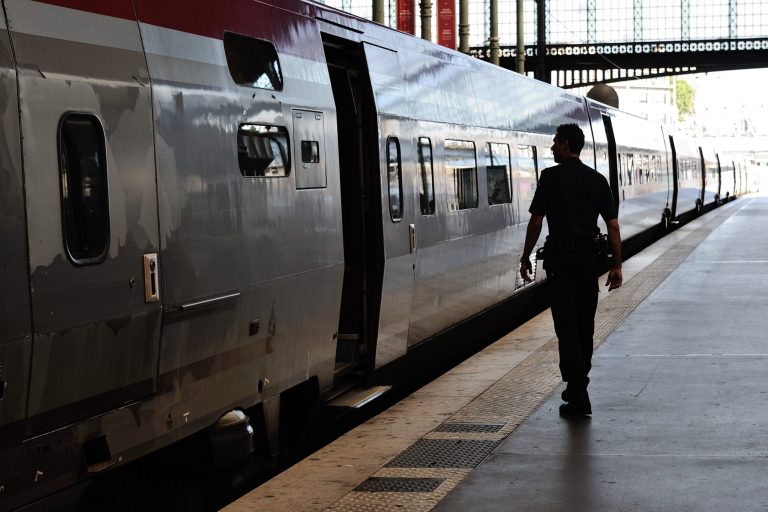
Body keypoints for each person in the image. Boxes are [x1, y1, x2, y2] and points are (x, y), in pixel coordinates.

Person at [519, 123, 623, 417]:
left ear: (565, 145)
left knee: (567, 327)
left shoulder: (550, 177)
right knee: (585, 325)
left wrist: (526, 256)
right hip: (589, 264)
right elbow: (613, 226)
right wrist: (616, 265)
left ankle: (577, 391)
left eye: (555, 143)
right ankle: (579, 388)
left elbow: (537, 221)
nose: (552, 148)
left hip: (561, 264)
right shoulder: (597, 180)